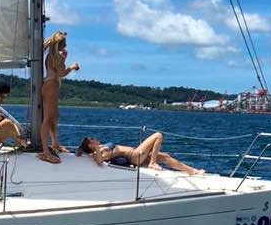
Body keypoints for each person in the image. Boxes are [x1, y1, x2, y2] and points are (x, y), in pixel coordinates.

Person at [74, 132, 204, 175]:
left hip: (136, 155)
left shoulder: (100, 147)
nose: (93, 138)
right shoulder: (100, 152)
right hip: (135, 156)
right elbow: (99, 162)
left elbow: (79, 151)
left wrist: (81, 150)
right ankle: (152, 163)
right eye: (91, 140)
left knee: (165, 157)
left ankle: (192, 171)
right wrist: (96, 148)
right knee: (158, 135)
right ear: (91, 145)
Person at [38, 31, 79, 164]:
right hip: (51, 87)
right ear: (58, 44)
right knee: (48, 118)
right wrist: (72, 67)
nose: (66, 46)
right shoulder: (54, 57)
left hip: (52, 87)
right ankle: (45, 152)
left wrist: (64, 59)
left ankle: (55, 144)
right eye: (64, 43)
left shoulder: (53, 56)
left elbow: (58, 70)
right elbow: (62, 72)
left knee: (54, 118)